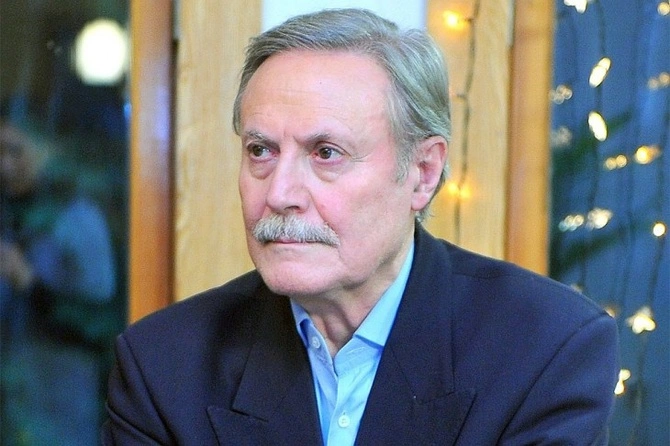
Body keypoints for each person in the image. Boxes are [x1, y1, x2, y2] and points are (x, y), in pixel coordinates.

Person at [102, 8, 619, 445]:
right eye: (261, 151)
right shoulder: (163, 366)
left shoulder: (546, 347)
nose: (279, 193)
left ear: (423, 173)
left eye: (326, 153)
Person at [1, 120, 119, 445]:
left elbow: (100, 324)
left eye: (15, 151)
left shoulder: (79, 217)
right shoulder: (10, 214)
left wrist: (29, 283)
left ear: (47, 150)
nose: (5, 165)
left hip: (63, 399)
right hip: (15, 396)